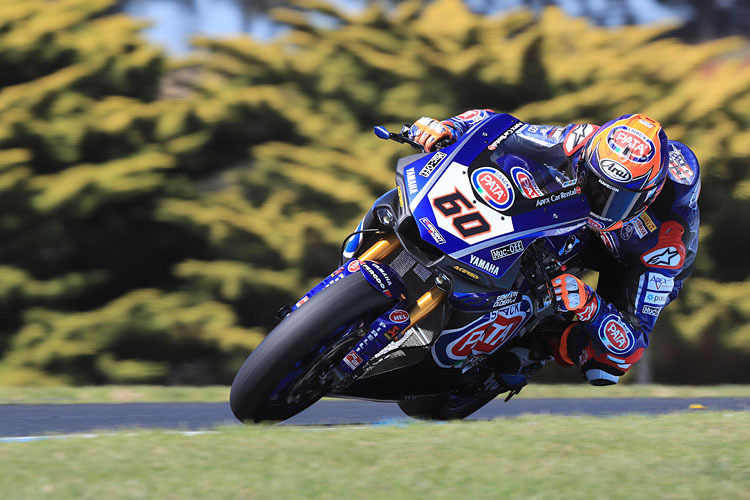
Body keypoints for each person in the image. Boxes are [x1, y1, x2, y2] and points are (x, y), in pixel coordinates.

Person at [408, 110, 701, 387]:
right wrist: (449, 127)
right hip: (571, 215)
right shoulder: (580, 141)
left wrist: (590, 305)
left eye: (618, 199)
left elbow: (633, 342)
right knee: (512, 164)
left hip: (630, 258)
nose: (600, 202)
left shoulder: (666, 242)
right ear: (588, 159)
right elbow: (502, 129)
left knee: (606, 365)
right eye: (596, 184)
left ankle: (539, 348)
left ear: (647, 198)